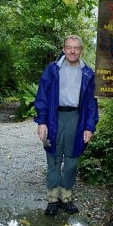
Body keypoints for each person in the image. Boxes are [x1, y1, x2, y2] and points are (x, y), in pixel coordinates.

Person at [34, 35, 99, 216]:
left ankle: (66, 196)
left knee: (72, 159)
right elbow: (42, 96)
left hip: (76, 118)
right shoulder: (52, 70)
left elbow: (91, 103)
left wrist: (89, 126)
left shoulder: (88, 73)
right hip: (55, 117)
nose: (72, 51)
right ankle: (53, 198)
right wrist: (42, 121)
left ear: (81, 50)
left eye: (76, 48)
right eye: (69, 47)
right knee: (53, 156)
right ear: (63, 49)